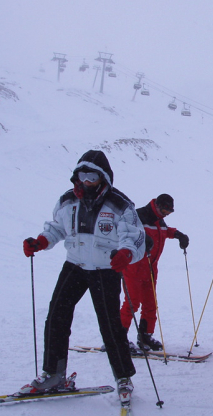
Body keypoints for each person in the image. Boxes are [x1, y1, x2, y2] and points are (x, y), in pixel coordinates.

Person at [20, 150, 146, 399]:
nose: (86, 181)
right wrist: (41, 241)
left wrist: (126, 254)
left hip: (105, 270)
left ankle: (123, 378)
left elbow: (135, 237)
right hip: (75, 266)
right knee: (56, 316)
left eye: (92, 176)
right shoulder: (68, 201)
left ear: (104, 178)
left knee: (110, 325)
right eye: (82, 175)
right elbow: (57, 228)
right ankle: (54, 374)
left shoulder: (120, 205)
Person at [120, 194, 189, 351]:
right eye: (164, 210)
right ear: (157, 205)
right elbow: (124, 233)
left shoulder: (159, 219)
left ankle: (145, 336)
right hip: (133, 267)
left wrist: (178, 235)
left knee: (150, 304)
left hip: (151, 269)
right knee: (132, 303)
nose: (166, 214)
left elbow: (164, 231)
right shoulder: (138, 216)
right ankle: (119, 337)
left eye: (169, 212)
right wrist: (141, 239)